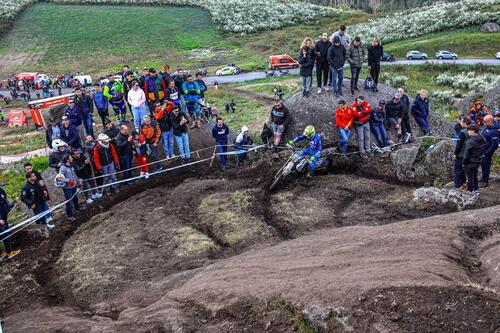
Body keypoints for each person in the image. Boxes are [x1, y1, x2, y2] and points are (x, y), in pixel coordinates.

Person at [56, 155, 80, 221]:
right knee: (69, 201)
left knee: (75, 198)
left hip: (73, 186)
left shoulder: (70, 166)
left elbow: (74, 174)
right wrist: (68, 181)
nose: (72, 158)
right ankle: (70, 216)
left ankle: (78, 209)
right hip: (67, 188)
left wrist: (78, 182)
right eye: (71, 158)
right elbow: (59, 178)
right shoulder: (63, 168)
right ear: (67, 160)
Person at [462, 124, 485, 193]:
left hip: (470, 161)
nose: (468, 132)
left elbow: (466, 154)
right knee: (474, 175)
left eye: (468, 130)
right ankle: (476, 190)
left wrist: (463, 162)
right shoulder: (483, 138)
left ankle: (470, 192)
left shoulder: (470, 142)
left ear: (473, 131)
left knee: (470, 178)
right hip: (478, 160)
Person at [479, 115, 499, 188]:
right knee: (482, 165)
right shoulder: (486, 128)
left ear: (490, 121)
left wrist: (487, 153)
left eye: (484, 121)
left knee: (486, 166)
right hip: (482, 150)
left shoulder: (494, 131)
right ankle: (483, 177)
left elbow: (495, 145)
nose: (483, 122)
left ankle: (485, 181)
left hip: (487, 152)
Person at [453, 116, 471, 189]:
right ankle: (463, 182)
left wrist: (455, 153)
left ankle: (457, 185)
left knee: (458, 169)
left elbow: (459, 145)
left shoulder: (463, 132)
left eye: (461, 121)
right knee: (464, 169)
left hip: (461, 154)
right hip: (469, 154)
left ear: (465, 123)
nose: (460, 122)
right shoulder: (472, 130)